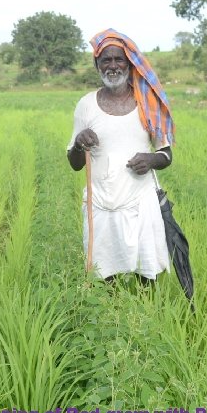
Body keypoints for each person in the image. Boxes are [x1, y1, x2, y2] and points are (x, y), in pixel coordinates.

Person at [67, 28, 175, 284]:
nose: (113, 66)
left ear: (129, 64)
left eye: (119, 59)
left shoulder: (146, 103)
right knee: (104, 277)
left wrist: (151, 160)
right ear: (97, 65)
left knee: (146, 276)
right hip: (101, 205)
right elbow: (74, 164)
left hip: (141, 202)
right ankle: (111, 320)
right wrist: (80, 144)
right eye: (106, 60)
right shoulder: (86, 105)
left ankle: (146, 319)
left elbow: (166, 155)